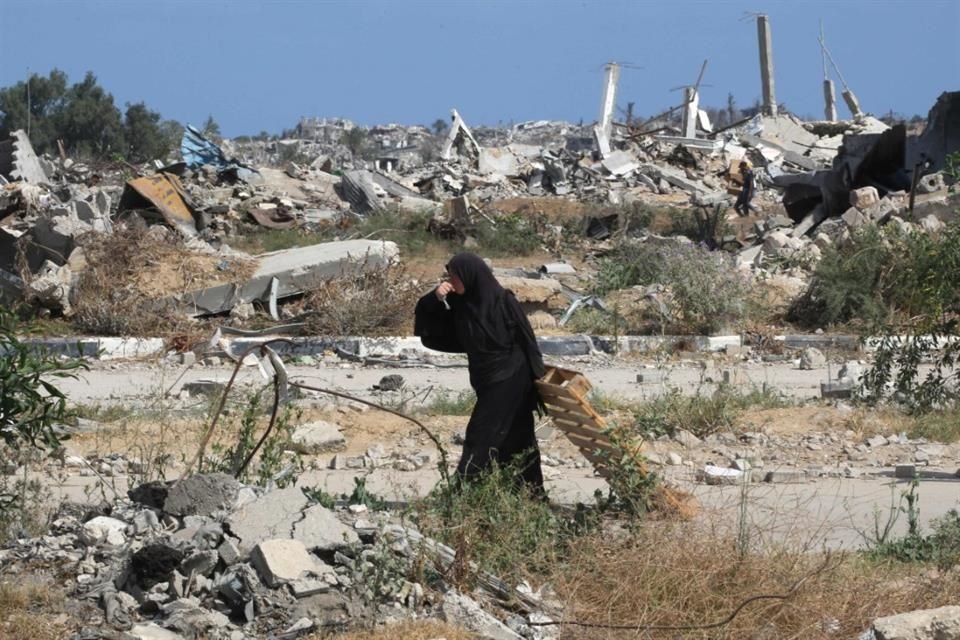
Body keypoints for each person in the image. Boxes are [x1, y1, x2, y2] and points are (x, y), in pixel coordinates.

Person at [414, 252, 547, 498]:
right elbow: (428, 328)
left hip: (512, 378)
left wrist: (537, 380)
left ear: (469, 276)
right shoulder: (463, 306)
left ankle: (462, 497)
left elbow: (527, 341)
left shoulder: (503, 301)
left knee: (480, 435)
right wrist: (435, 298)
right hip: (488, 380)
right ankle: (530, 495)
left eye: (454, 276)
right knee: (517, 438)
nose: (451, 281)